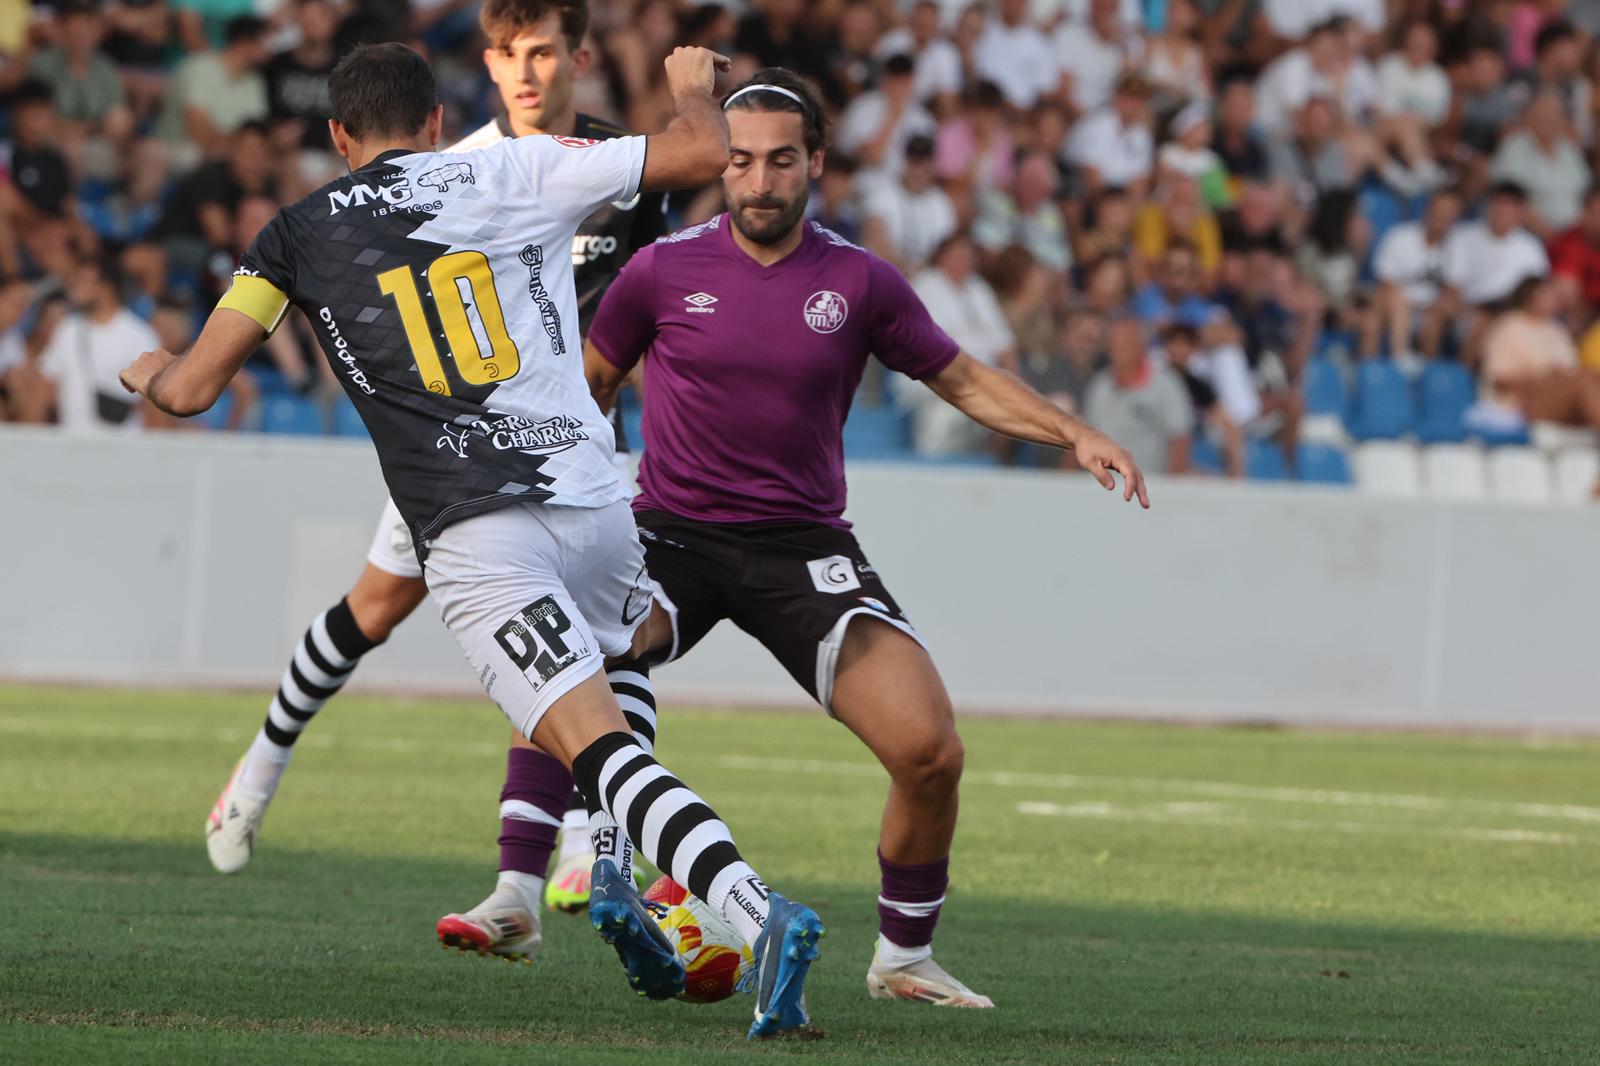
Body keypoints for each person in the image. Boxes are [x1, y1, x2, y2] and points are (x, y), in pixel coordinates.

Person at [121, 40, 826, 1040]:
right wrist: (685, 89)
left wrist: (147, 368)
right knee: (612, 716)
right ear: (438, 122)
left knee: (595, 749)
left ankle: (754, 911)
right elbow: (698, 152)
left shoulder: (294, 234)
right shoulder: (516, 165)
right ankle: (595, 869)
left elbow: (193, 391)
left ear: (337, 137)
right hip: (589, 496)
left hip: (472, 524)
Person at [444, 67, 1149, 1010]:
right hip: (670, 537)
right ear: (718, 168)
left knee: (931, 751)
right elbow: (586, 385)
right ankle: (518, 893)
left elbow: (963, 378)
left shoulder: (859, 280)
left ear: (816, 162)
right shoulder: (663, 270)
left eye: (782, 161)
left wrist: (1074, 431)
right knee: (566, 654)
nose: (761, 181)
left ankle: (902, 958)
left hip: (802, 549)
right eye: (740, 162)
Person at [198, 0, 679, 941]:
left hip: (572, 449)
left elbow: (647, 302)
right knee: (373, 610)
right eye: (507, 55)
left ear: (579, 57)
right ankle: (260, 764)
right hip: (455, 450)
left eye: (542, 52)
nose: (526, 72)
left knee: (565, 642)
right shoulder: (456, 169)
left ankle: (550, 869)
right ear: (484, 74)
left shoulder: (625, 171)